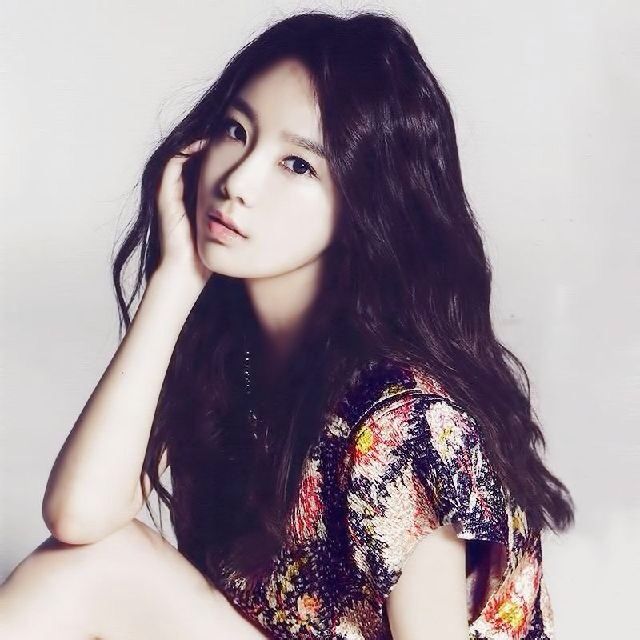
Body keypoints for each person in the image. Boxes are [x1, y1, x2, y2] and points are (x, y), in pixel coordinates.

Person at [0, 10, 574, 639]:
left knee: (94, 573)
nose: (237, 181)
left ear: (363, 205)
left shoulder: (401, 423)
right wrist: (174, 283)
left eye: (298, 165)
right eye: (236, 131)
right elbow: (80, 514)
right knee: (89, 564)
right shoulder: (229, 347)